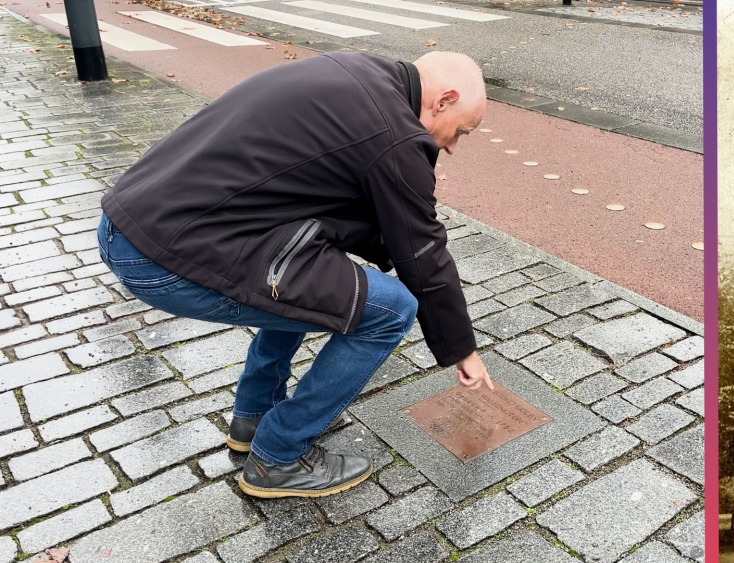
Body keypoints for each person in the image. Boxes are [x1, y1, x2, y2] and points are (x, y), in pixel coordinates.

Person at [97, 50, 491, 499]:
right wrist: (463, 350)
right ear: (444, 100)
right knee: (392, 310)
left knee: (317, 281)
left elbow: (354, 207)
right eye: (461, 131)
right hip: (163, 254)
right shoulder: (394, 134)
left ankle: (254, 416)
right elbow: (423, 252)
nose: (455, 147)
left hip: (133, 222)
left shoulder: (358, 71)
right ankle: (279, 455)